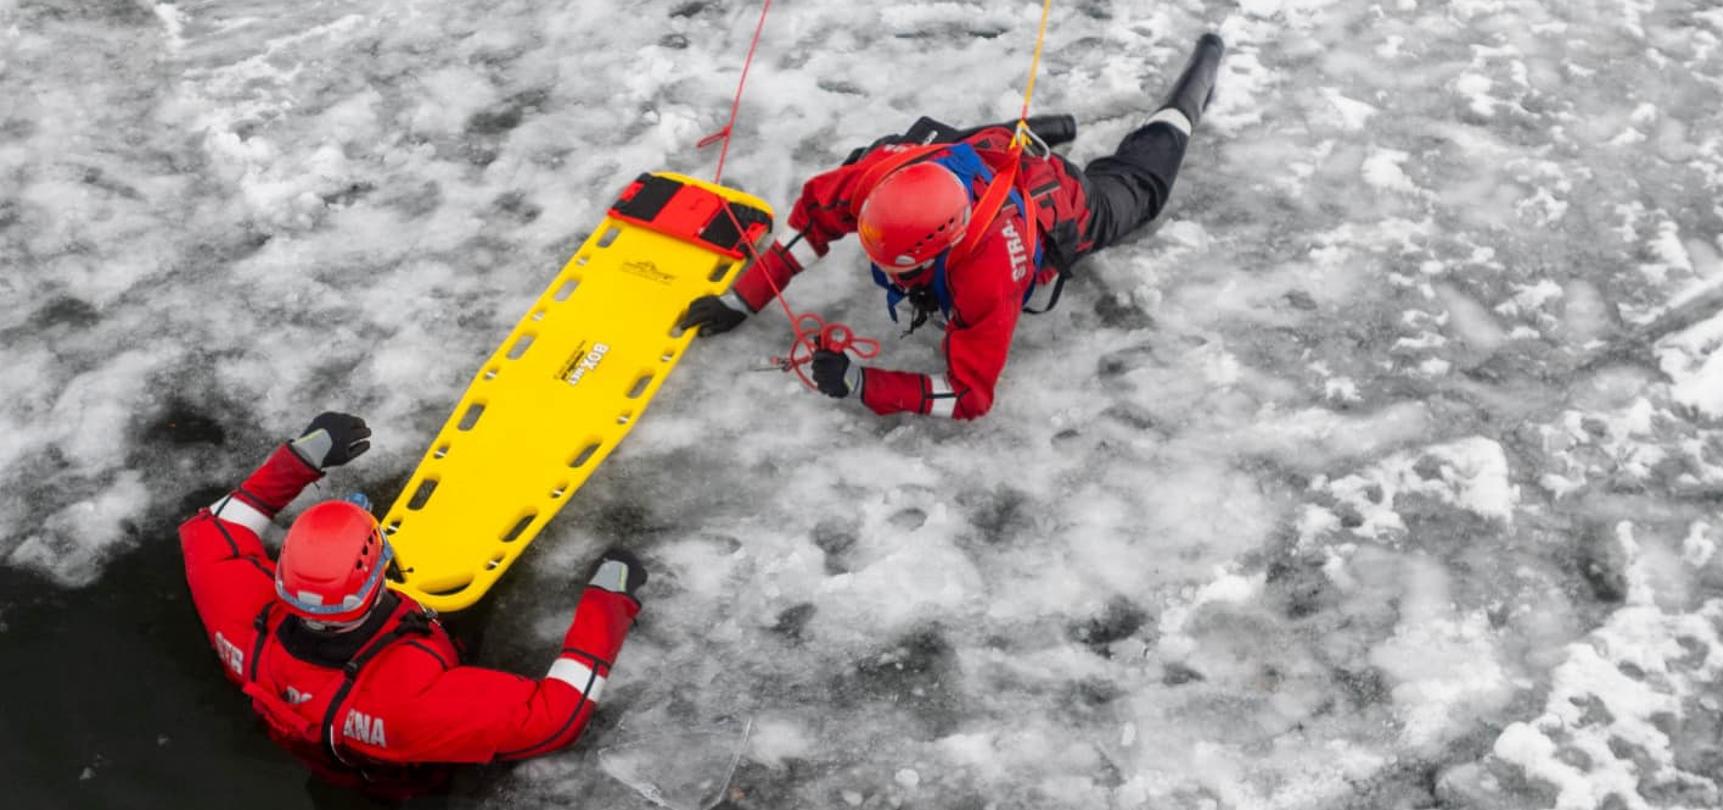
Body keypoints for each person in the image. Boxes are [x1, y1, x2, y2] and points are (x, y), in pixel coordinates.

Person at [678, 33, 1225, 420]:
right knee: (893, 146)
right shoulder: (871, 180)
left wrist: (864, 385)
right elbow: (810, 227)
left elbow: (968, 397)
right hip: (955, 155)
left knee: (1142, 189)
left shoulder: (990, 272)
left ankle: (1184, 98)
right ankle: (1026, 132)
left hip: (1056, 202)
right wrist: (741, 300)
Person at [179, 412, 647, 801]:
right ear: (381, 569)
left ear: (282, 575)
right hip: (408, 782)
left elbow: (211, 530)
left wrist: (303, 456)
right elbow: (557, 719)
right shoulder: (412, 701)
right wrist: (609, 601)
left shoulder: (237, 615)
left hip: (325, 753)